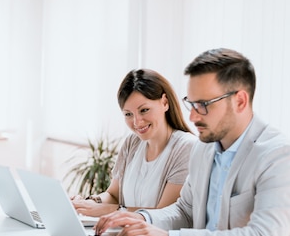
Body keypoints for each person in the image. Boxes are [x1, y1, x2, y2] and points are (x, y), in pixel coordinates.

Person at [94, 48, 290, 236]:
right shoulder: (203, 149)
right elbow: (185, 210)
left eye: (204, 105)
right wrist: (142, 218)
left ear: (239, 101)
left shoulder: (279, 157)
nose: (193, 117)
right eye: (192, 104)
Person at [71, 69, 196, 217]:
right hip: (121, 235)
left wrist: (110, 210)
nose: (137, 122)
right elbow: (113, 195)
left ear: (165, 102)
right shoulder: (132, 143)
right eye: (128, 114)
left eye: (144, 110)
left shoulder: (186, 147)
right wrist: (90, 202)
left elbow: (164, 216)